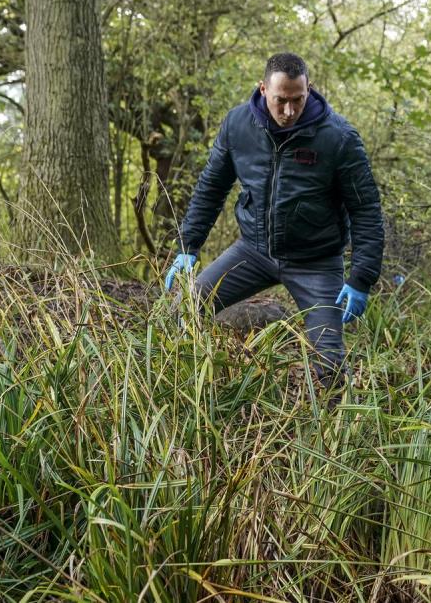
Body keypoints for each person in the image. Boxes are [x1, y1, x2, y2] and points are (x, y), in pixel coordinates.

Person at [164, 52, 385, 388]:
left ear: (309, 90)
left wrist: (361, 279)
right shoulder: (238, 126)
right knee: (183, 311)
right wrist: (188, 244)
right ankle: (186, 390)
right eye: (281, 100)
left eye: (298, 100)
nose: (289, 111)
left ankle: (333, 431)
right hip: (252, 252)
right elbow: (212, 186)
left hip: (316, 263)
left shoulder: (338, 138)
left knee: (330, 364)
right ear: (263, 89)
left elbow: (366, 209)